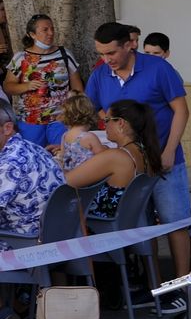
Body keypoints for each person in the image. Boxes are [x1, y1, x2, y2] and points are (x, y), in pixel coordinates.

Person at [86, 22, 190, 277]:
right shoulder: (100, 75)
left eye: (111, 53)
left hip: (166, 161)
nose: (106, 59)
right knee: (141, 225)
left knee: (175, 223)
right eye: (101, 53)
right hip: (129, 165)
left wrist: (169, 151)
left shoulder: (158, 69)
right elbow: (94, 107)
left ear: (129, 45)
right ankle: (152, 283)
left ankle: (184, 282)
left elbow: (181, 110)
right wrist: (112, 123)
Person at [65, 99, 162, 223]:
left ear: (121, 123)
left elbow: (66, 181)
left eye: (107, 120)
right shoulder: (144, 152)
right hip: (127, 223)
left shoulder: (116, 157)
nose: (104, 125)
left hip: (99, 224)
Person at [4, 13, 84, 126]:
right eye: (45, 30)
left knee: (60, 144)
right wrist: (27, 86)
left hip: (61, 119)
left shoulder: (64, 54)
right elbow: (8, 87)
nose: (51, 33)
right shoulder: (21, 58)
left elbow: (78, 88)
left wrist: (74, 111)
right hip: (30, 121)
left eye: (52, 29)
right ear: (32, 34)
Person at [0, 102, 65, 237]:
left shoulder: (9, 164)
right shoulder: (31, 147)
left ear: (7, 128)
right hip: (56, 232)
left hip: (22, 239)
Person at [54, 92, 104, 172]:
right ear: (90, 114)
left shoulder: (65, 135)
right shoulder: (89, 137)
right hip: (87, 177)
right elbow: (103, 158)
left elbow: (62, 157)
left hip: (71, 176)